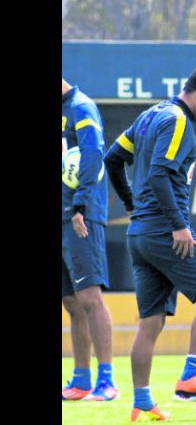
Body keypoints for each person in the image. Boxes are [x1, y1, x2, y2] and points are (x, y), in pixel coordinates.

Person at [103, 59, 196, 421]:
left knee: (150, 324)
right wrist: (178, 225)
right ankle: (193, 374)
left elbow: (113, 159)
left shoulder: (150, 116)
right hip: (166, 232)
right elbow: (160, 174)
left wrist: (132, 206)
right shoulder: (178, 120)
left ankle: (142, 400)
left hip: (140, 234)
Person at [61, 79, 119, 401]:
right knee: (71, 302)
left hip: (79, 215)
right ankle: (81, 380)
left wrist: (80, 203)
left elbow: (94, 154)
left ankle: (106, 380)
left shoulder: (81, 107)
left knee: (89, 297)